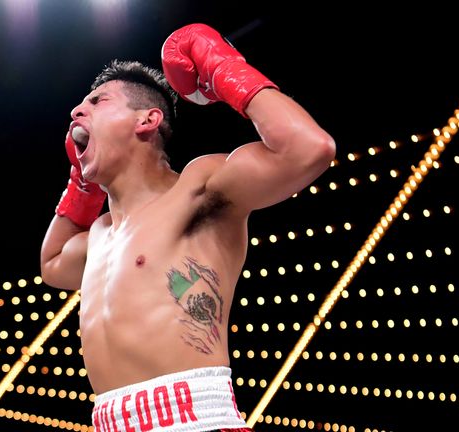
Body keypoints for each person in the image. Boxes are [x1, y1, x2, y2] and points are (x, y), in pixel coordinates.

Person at [40, 23, 336, 431]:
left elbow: (308, 149)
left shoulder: (195, 190)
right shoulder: (101, 235)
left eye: (97, 100)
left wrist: (224, 68)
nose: (76, 112)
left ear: (147, 120)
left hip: (195, 421)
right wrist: (81, 185)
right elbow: (52, 264)